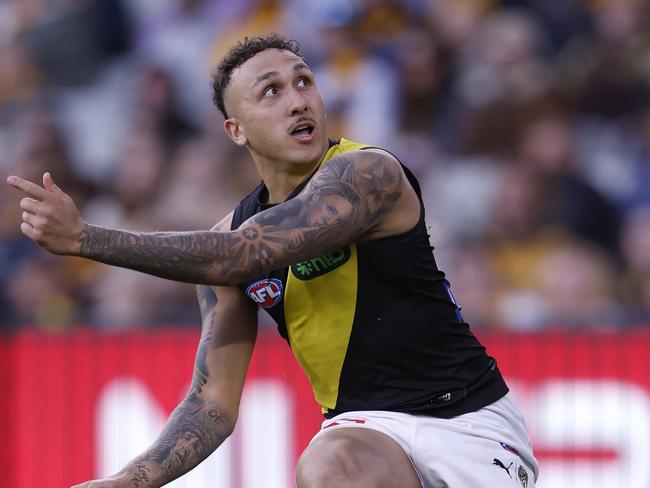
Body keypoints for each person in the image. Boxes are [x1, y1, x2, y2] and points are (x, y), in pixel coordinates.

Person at [7, 33, 539, 488]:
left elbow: (242, 255)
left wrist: (85, 239)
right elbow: (212, 403)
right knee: (329, 466)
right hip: (367, 430)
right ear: (235, 130)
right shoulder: (230, 237)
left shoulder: (369, 173)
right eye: (272, 92)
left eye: (304, 81)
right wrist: (132, 478)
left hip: (470, 422)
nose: (297, 100)